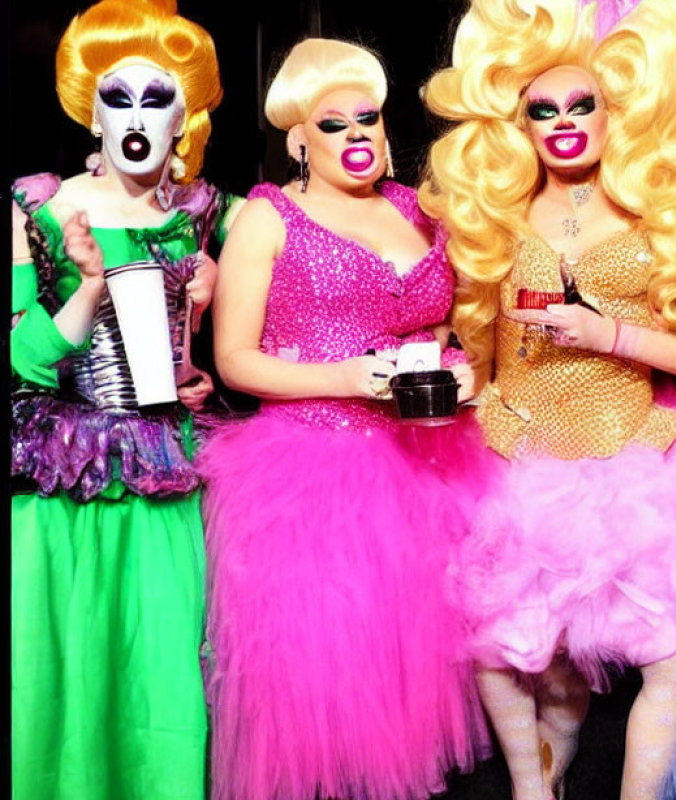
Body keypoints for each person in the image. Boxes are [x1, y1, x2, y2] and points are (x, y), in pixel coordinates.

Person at [419, 0, 676, 797]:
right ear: (523, 126)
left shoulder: (657, 218)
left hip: (628, 469)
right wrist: (450, 380)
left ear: (615, 117)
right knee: (502, 653)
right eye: (545, 110)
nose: (565, 122)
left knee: (671, 665)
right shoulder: (492, 218)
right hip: (520, 466)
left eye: (583, 106)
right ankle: (534, 788)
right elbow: (472, 346)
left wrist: (608, 335)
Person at [196, 37, 490, 800]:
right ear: (298, 140)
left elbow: (442, 324)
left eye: (368, 119)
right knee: (326, 684)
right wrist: (346, 376)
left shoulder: (416, 211)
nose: (357, 136)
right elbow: (233, 359)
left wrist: (452, 365)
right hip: (311, 470)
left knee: (413, 674)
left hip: (423, 462)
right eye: (335, 125)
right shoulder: (268, 218)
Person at [10, 0, 235, 797]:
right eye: (118, 96)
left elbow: (191, 364)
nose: (136, 117)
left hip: (164, 467)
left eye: (156, 98)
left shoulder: (195, 218)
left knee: (163, 663)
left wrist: (198, 334)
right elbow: (22, 359)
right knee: (68, 664)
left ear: (183, 121)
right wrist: (90, 288)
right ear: (91, 112)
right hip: (65, 478)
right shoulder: (35, 209)